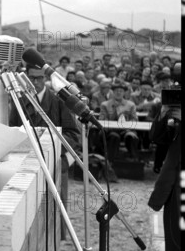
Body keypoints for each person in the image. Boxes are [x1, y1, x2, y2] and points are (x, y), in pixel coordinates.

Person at [9, 58, 81, 239]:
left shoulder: (58, 101)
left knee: (56, 210)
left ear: (45, 79)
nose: (35, 82)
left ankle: (57, 238)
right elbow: (12, 131)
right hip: (27, 164)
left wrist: (53, 148)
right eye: (31, 78)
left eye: (39, 78)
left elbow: (73, 134)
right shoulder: (19, 101)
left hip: (54, 162)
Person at [147, 72, 180, 251]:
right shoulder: (169, 110)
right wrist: (164, 114)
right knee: (175, 248)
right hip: (175, 190)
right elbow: (157, 139)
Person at [98, 79, 140, 164]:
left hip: (127, 130)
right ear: (113, 92)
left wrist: (128, 127)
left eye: (121, 91)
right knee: (114, 136)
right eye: (116, 91)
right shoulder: (105, 104)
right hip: (111, 130)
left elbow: (135, 119)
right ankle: (110, 162)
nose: (118, 93)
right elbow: (102, 119)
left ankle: (134, 160)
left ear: (124, 93)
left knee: (131, 136)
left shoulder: (130, 105)